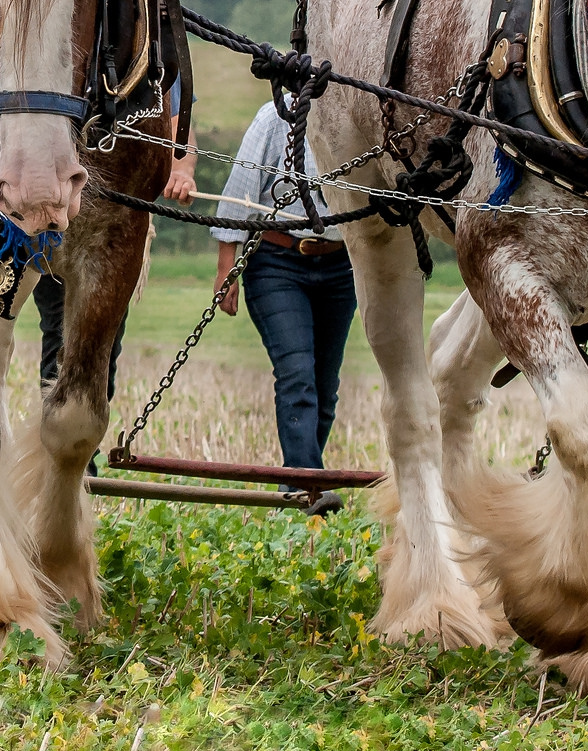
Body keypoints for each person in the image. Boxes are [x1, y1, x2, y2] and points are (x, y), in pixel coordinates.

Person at [210, 100, 356, 516]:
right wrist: (227, 267)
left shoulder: (356, 110)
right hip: (276, 262)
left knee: (325, 389)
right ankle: (309, 488)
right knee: (296, 376)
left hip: (341, 265)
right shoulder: (278, 114)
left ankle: (297, 487)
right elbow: (242, 187)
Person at [35, 93, 197, 396]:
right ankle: (54, 427)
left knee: (104, 337)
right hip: (47, 213)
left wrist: (182, 170)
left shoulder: (156, 49)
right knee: (58, 328)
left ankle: (80, 434)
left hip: (116, 224)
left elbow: (176, 115)